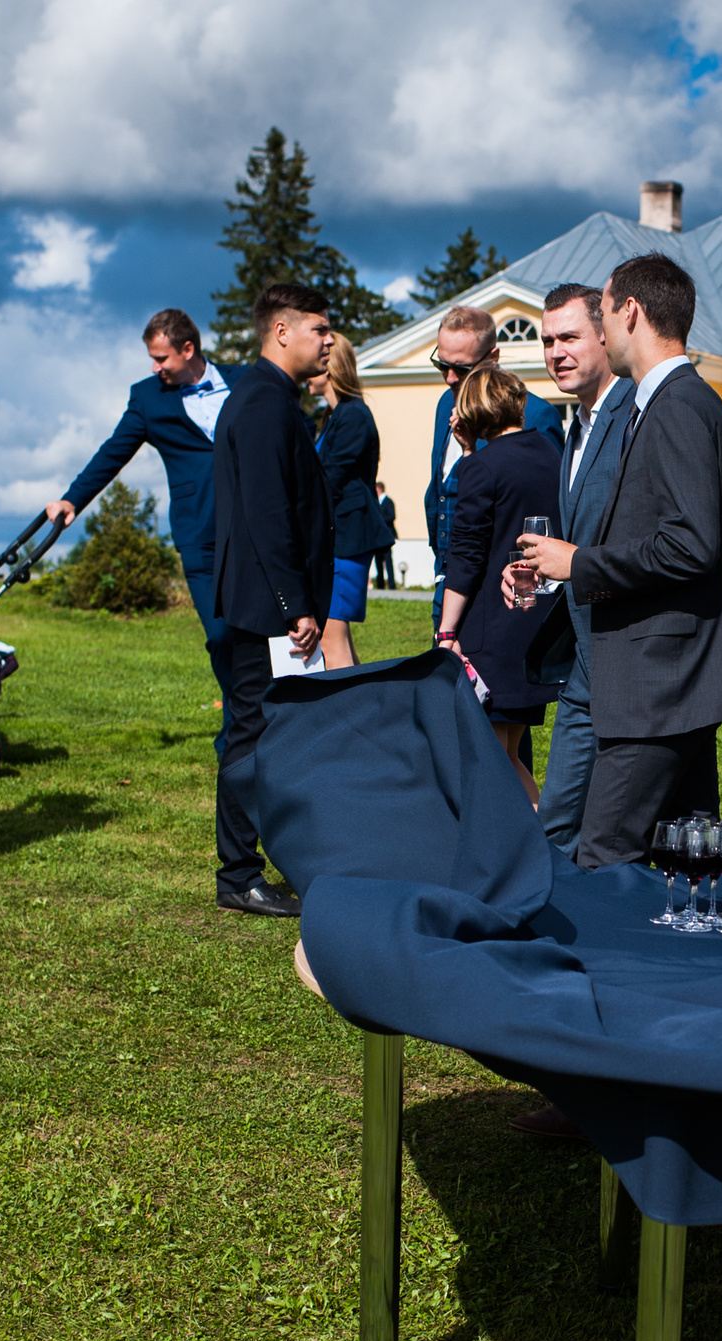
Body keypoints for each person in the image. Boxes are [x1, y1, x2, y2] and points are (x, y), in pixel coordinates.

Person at [509, 253, 722, 870]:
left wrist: (580, 564)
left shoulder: (676, 404)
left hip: (660, 675)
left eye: (601, 313)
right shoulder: (673, 401)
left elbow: (691, 545)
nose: (598, 330)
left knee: (605, 853)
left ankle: (609, 969)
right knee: (688, 850)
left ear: (630, 312)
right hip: (669, 670)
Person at [46, 309, 243, 753]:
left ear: (188, 349)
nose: (155, 368)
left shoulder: (244, 380)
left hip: (251, 528)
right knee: (221, 636)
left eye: (161, 358)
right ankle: (238, 727)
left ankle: (257, 726)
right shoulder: (148, 399)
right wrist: (73, 498)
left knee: (257, 633)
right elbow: (113, 452)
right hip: (199, 532)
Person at [210, 282, 337, 919]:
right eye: (319, 328)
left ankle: (251, 866)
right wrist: (296, 606)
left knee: (262, 735)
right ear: (282, 331)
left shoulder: (267, 398)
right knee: (253, 738)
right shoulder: (262, 403)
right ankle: (238, 875)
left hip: (265, 602)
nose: (330, 339)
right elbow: (267, 514)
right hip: (268, 608)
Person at [531, 281, 634, 854]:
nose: (556, 352)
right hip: (583, 664)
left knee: (611, 838)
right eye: (548, 341)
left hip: (627, 661)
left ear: (605, 333)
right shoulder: (576, 425)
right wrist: (540, 573)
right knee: (556, 827)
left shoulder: (632, 418)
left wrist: (575, 563)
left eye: (569, 337)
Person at [438, 365, 564, 804]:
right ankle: (540, 847)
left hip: (491, 629)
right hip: (534, 622)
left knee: (488, 755)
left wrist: (446, 632)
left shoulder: (480, 468)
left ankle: (541, 847)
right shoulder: (551, 453)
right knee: (508, 750)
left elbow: (467, 555)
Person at [425, 304, 561, 600]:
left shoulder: (534, 414)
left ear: (493, 358)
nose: (449, 378)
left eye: (461, 369)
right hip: (448, 581)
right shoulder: (442, 406)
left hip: (501, 591)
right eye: (441, 365)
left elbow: (542, 519)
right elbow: (439, 490)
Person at [313, 333, 390, 670]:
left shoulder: (353, 415)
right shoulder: (334, 417)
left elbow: (329, 479)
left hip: (347, 535)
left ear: (331, 368)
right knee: (336, 637)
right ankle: (362, 718)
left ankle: (349, 720)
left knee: (332, 636)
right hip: (341, 534)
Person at [371, 482, 398, 588]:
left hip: (387, 535)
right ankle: (380, 584)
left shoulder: (388, 502)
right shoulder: (376, 502)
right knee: (378, 560)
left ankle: (391, 584)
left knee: (388, 560)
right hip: (377, 537)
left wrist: (380, 519)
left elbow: (392, 516)